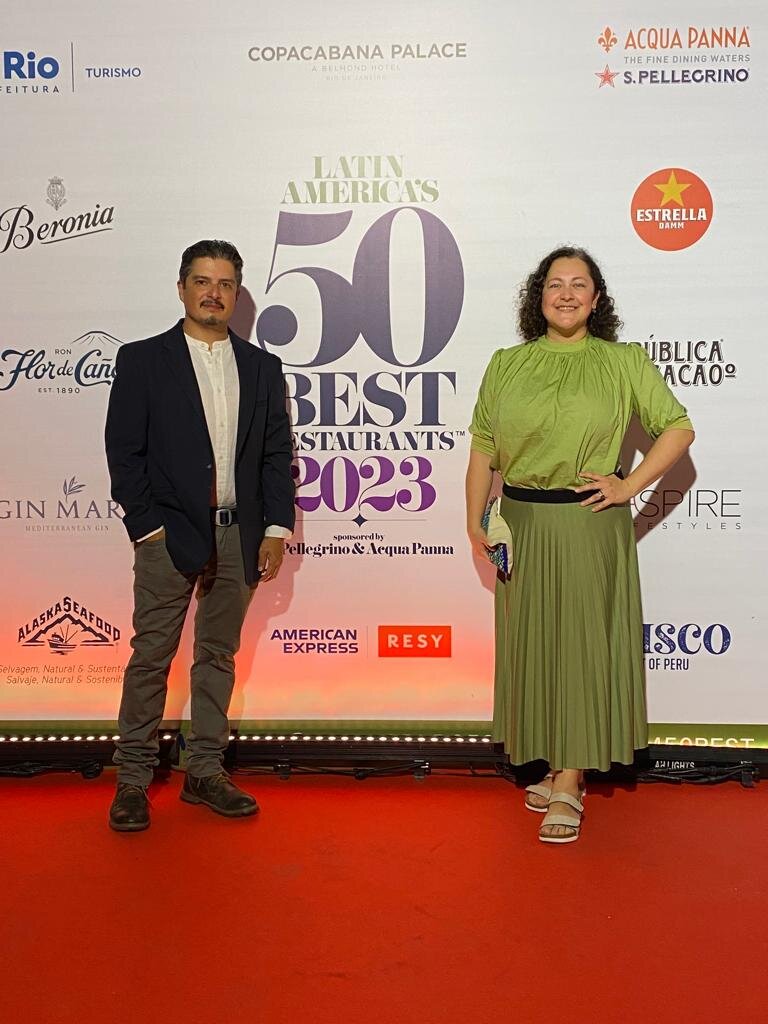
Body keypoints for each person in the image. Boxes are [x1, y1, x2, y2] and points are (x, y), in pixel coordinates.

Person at [466, 246, 694, 844]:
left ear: (596, 299)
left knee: (581, 647)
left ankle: (571, 776)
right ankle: (551, 758)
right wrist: (475, 521)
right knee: (536, 645)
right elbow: (483, 450)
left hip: (589, 525)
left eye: (579, 284)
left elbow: (678, 428)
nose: (565, 294)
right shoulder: (506, 364)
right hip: (519, 524)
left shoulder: (622, 361)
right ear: (538, 296)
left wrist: (629, 485)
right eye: (554, 284)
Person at [105, 239, 295, 832]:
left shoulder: (262, 367)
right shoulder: (143, 360)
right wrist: (148, 528)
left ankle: (205, 772)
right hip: (169, 537)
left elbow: (275, 454)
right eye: (203, 281)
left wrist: (275, 529)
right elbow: (124, 453)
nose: (214, 293)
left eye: (225, 284)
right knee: (151, 657)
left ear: (237, 294)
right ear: (182, 287)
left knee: (217, 656)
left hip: (241, 536)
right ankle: (132, 780)